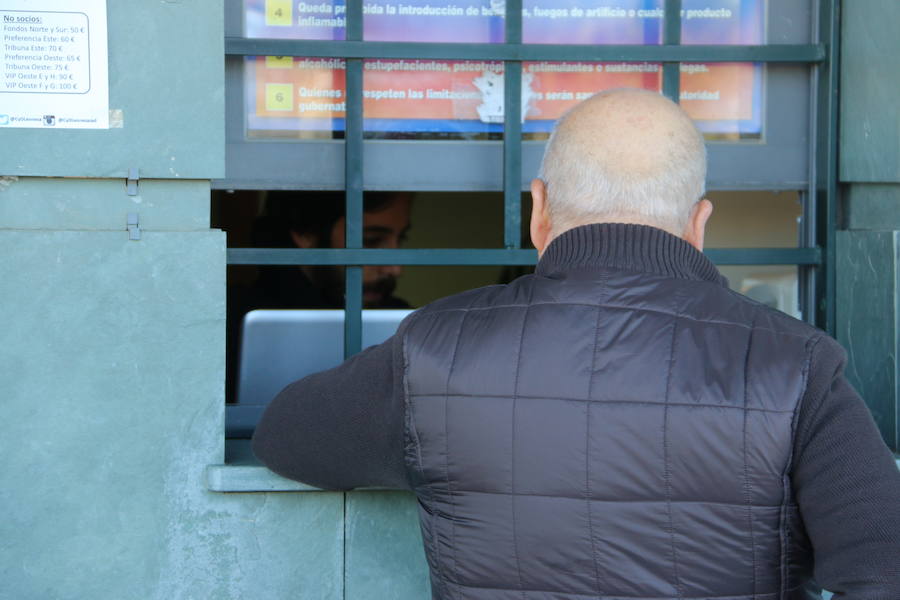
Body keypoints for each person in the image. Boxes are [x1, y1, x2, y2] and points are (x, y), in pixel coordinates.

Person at [252, 89, 900, 599]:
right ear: (699, 224)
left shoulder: (437, 351)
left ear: (538, 211)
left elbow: (283, 436)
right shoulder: (798, 366)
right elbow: (884, 570)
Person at [226, 191, 412, 402]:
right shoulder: (231, 321)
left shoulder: (402, 321)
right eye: (371, 241)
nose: (395, 269)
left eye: (401, 238)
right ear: (306, 232)